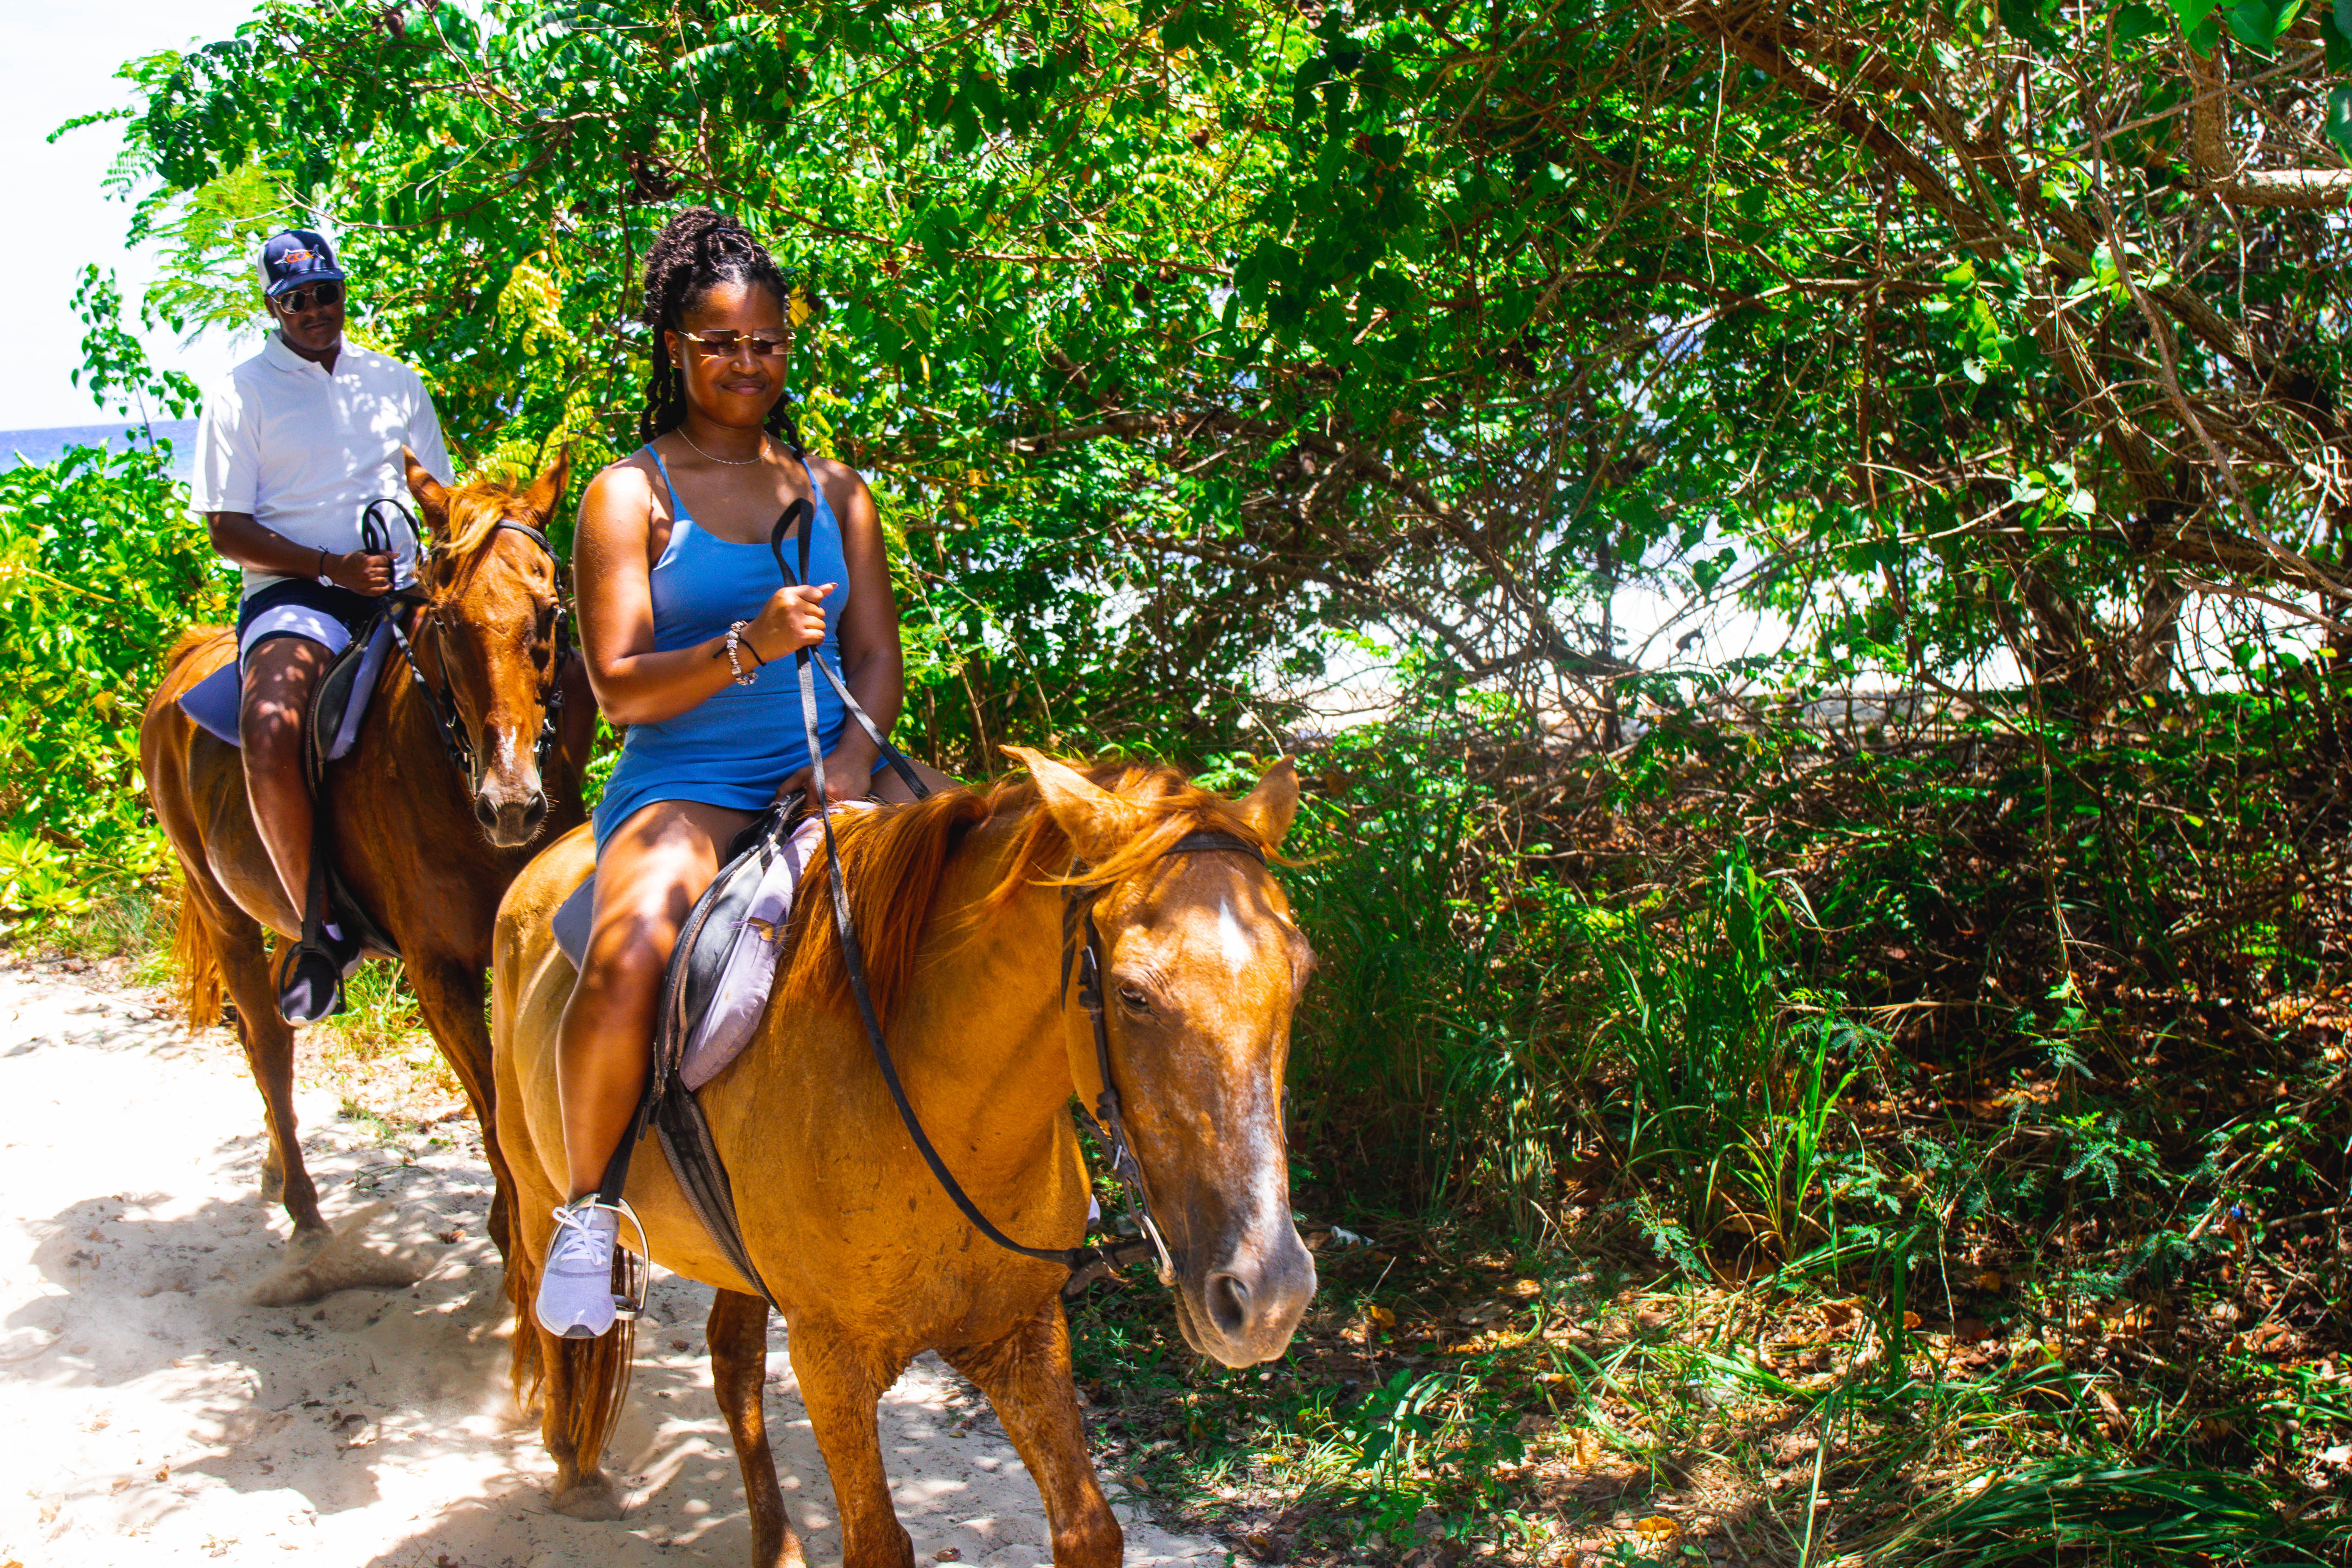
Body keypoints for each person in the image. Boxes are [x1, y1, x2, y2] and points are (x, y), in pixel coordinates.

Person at [537, 207, 953, 1339]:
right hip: (691, 783)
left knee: (1005, 878)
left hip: (836, 764)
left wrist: (853, 765)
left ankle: (1040, 1161)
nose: (747, 363)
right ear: (674, 347)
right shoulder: (629, 495)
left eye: (766, 341)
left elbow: (876, 657)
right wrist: (748, 646)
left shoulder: (837, 492)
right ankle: (588, 1218)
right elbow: (619, 688)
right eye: (720, 342)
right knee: (629, 955)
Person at [193, 228, 456, 1022]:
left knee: (533, 671)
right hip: (298, 595)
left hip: (402, 586)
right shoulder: (241, 393)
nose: (315, 309)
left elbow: (439, 496)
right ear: (273, 307)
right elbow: (227, 528)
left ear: (343, 293)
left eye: (326, 293)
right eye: (297, 299)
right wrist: (329, 567)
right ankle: (320, 934)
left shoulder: (395, 380)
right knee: (271, 726)